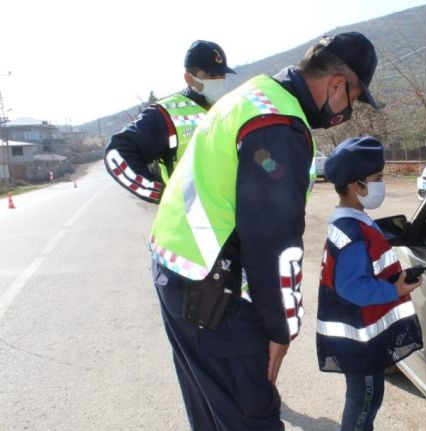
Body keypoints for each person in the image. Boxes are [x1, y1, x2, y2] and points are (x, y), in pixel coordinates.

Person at [149, 32, 379, 430]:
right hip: (216, 297)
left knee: (211, 411)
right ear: (337, 84)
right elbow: (274, 242)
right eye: (354, 98)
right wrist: (281, 330)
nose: (350, 109)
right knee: (249, 417)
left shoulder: (252, 95)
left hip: (176, 272)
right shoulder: (280, 125)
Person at [316, 136, 423, 431]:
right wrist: (395, 289)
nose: (381, 184)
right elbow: (353, 287)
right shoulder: (351, 231)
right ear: (355, 186)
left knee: (369, 395)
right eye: (377, 178)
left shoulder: (355, 219)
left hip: (363, 338)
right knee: (364, 399)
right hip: (358, 341)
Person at [104, 40, 238, 203]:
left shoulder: (231, 108)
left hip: (232, 219)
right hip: (188, 223)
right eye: (211, 75)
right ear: (189, 78)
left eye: (222, 74)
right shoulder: (166, 113)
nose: (219, 80)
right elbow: (117, 153)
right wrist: (160, 193)